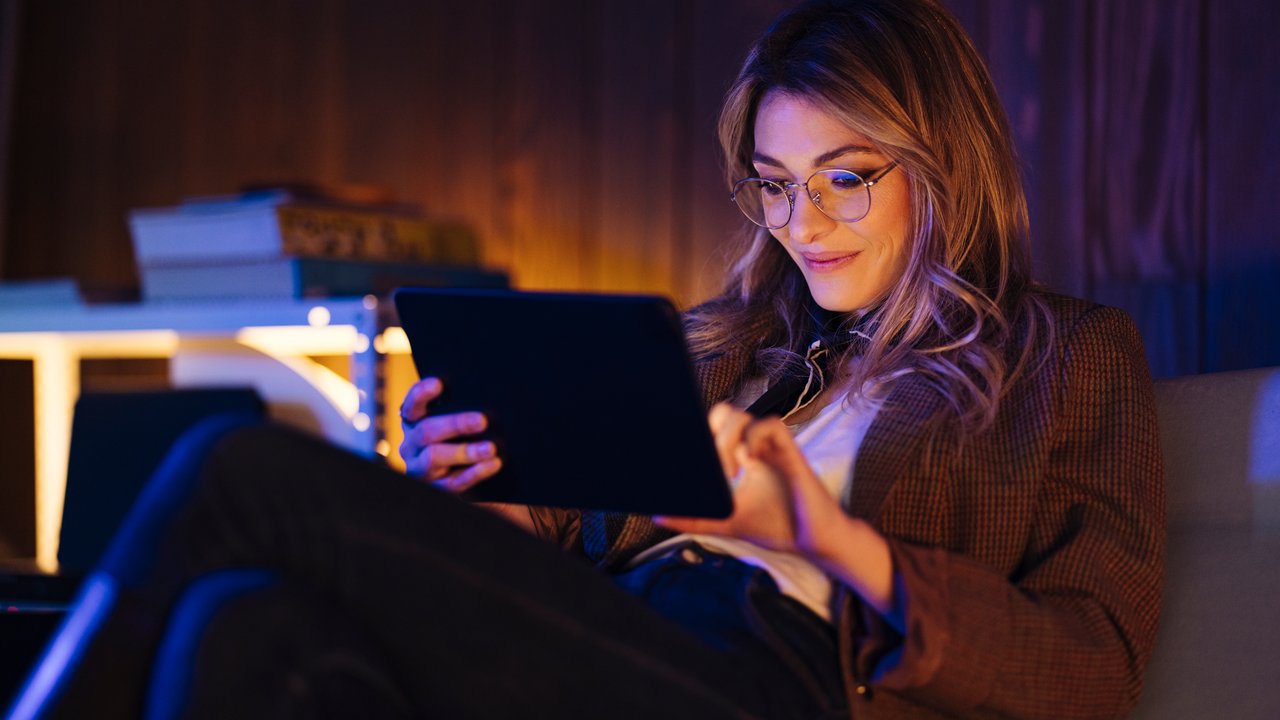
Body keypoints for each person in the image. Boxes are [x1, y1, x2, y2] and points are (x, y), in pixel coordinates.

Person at [13, 0, 1164, 718]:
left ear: (941, 165)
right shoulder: (724, 346)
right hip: (621, 641)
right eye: (771, 183)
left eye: (843, 177)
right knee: (248, 632)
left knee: (238, 468)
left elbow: (1088, 670)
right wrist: (479, 491)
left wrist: (818, 533)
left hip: (784, 675)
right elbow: (552, 557)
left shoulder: (1063, 360)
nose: (799, 221)